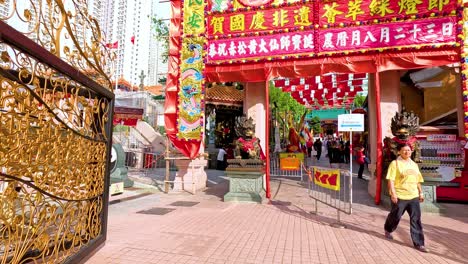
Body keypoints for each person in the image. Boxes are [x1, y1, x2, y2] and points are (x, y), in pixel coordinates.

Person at [384, 143, 428, 253]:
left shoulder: (414, 164)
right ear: (399, 151)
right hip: (400, 195)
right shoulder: (395, 164)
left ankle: (419, 243)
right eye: (404, 150)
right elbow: (391, 180)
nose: (407, 152)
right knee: (396, 216)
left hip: (413, 196)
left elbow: (418, 180)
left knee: (416, 219)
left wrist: (421, 193)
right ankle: (388, 229)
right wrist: (393, 194)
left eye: (409, 150)